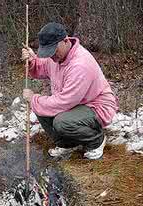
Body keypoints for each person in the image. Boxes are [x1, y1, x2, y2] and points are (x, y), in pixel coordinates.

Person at [22, 22, 118, 159]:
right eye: (48, 53)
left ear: (65, 41)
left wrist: (34, 99)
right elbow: (43, 68)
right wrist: (32, 61)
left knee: (61, 122)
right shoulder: (56, 57)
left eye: (53, 51)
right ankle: (67, 144)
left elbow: (64, 102)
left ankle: (96, 140)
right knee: (41, 108)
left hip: (96, 105)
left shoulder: (80, 64)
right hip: (76, 104)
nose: (51, 56)